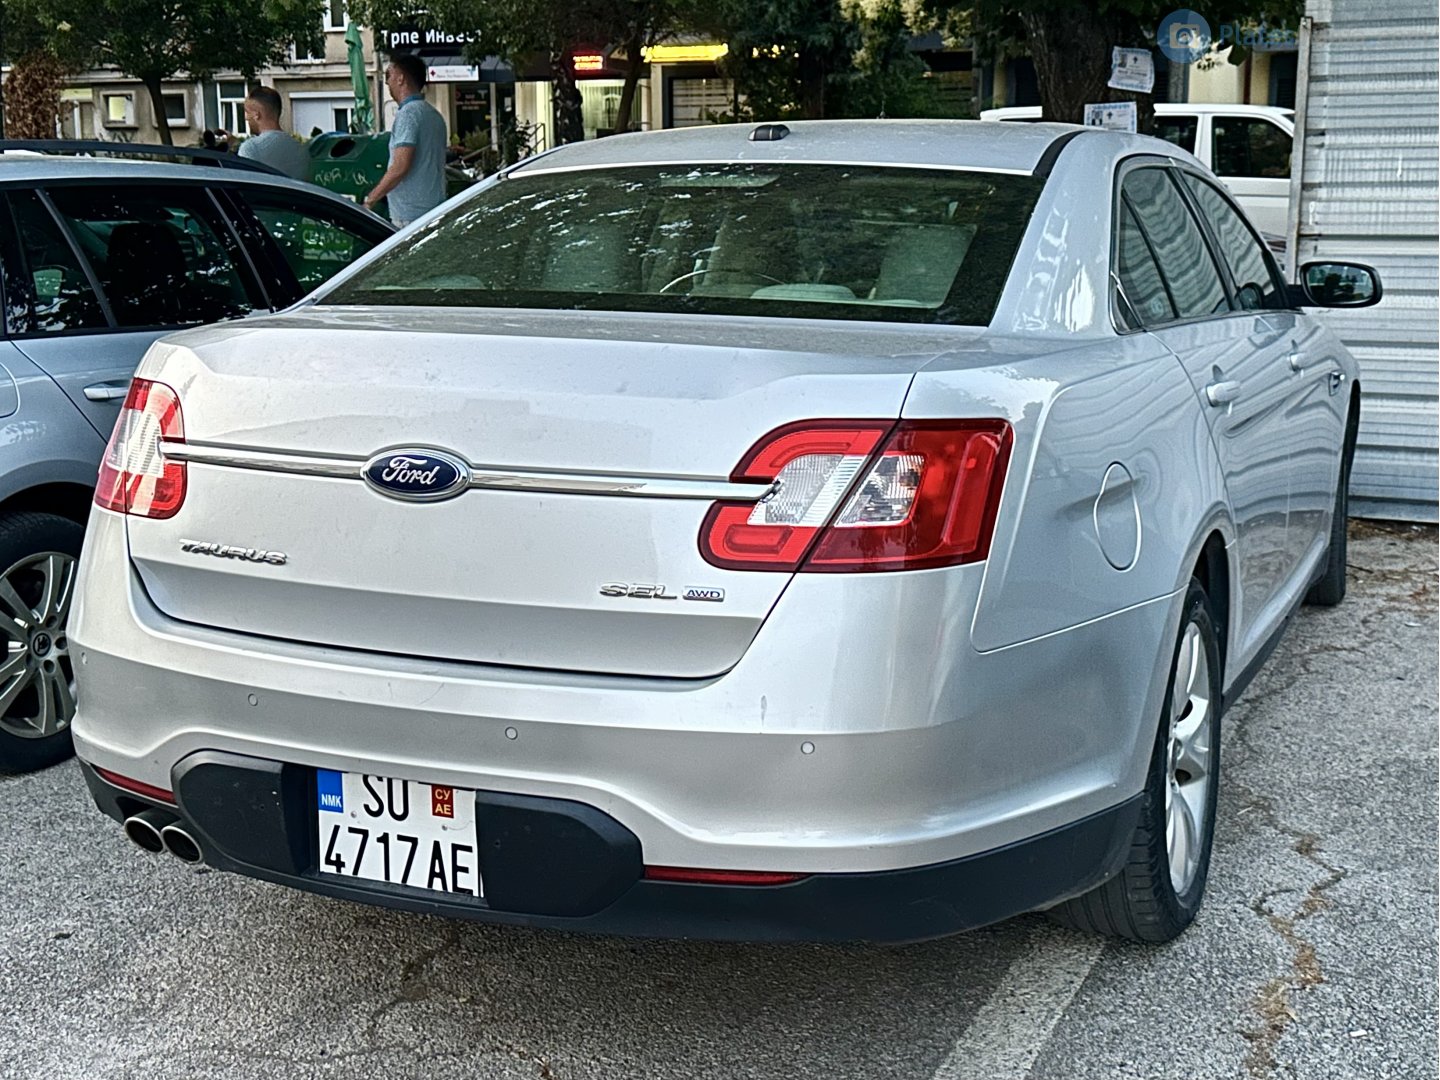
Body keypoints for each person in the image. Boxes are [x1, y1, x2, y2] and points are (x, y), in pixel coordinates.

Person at [364, 54, 447, 226]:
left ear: (401, 79)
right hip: (434, 208)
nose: (387, 83)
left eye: (389, 76)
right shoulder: (434, 115)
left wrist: (370, 200)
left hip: (410, 216)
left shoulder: (408, 115)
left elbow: (400, 166)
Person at [234, 86, 309, 181]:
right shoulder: (301, 149)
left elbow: (245, 186)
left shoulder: (251, 148)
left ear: (256, 115)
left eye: (246, 112)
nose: (245, 118)